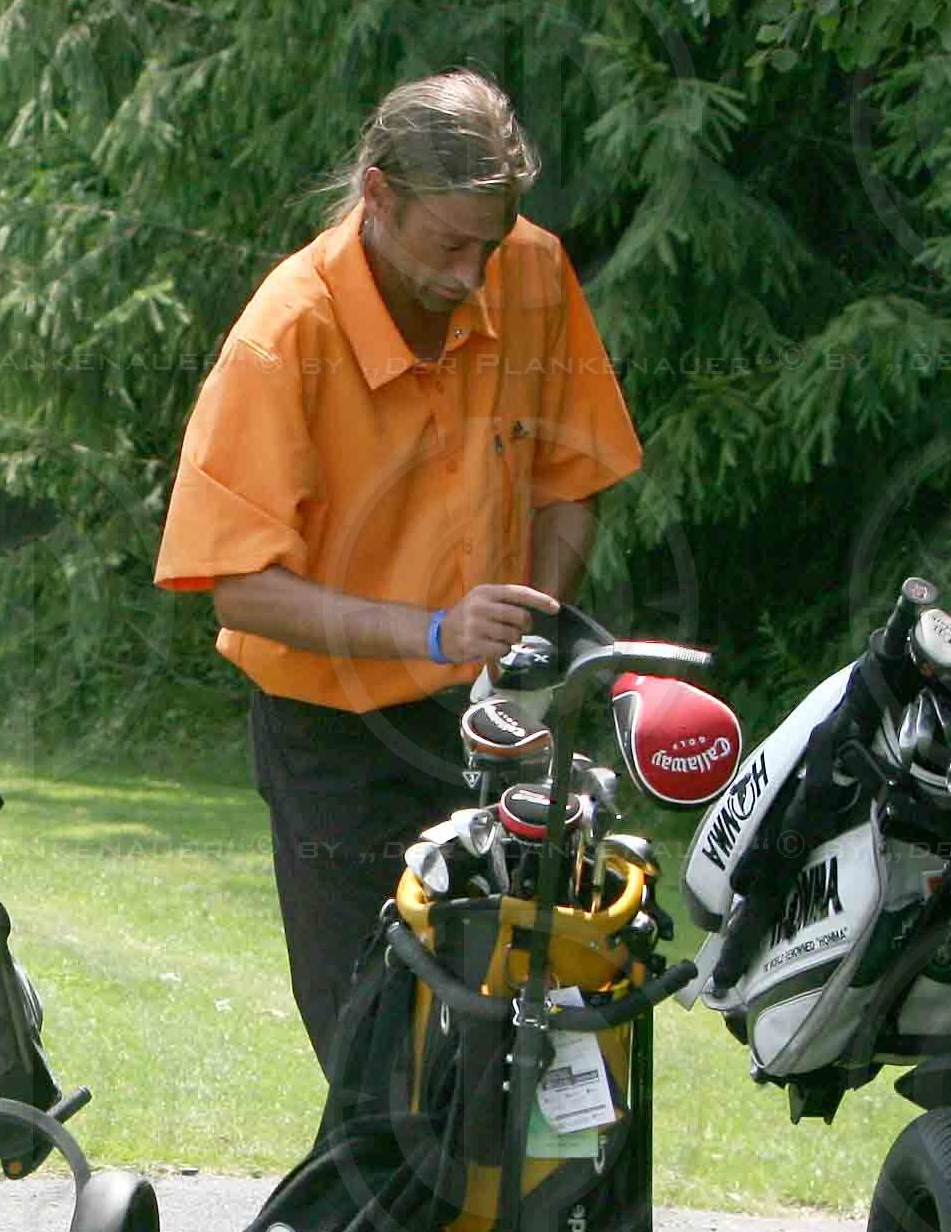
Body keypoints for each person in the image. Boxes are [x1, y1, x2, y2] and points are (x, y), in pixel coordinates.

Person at [154, 70, 644, 1076]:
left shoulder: (534, 272)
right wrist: (431, 632)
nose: (473, 274)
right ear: (377, 197)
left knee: (524, 1022)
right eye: (448, 246)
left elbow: (570, 477)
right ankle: (386, 1227)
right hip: (334, 742)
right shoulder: (285, 335)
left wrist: (534, 633)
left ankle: (517, 1231)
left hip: (494, 721)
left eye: (490, 245)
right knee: (373, 1037)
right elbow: (235, 582)